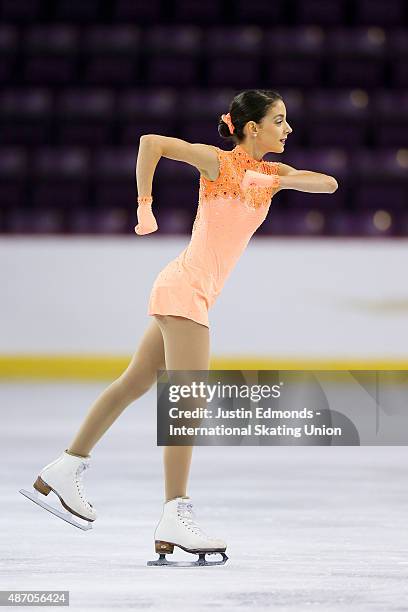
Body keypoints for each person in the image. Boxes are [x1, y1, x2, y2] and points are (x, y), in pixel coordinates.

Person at [21, 89, 338, 566]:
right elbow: (151, 142)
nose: (287, 129)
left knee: (133, 383)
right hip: (184, 290)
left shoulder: (272, 174)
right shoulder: (216, 162)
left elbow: (329, 184)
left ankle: (64, 467)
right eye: (279, 121)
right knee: (187, 402)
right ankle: (175, 512)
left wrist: (279, 180)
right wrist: (144, 205)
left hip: (188, 291)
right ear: (252, 128)